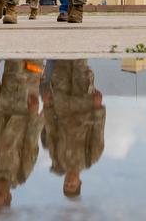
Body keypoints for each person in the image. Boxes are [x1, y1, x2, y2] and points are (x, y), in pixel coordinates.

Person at [0, 60, 44, 212]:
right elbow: (31, 142)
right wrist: (33, 114)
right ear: (9, 197)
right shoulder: (21, 173)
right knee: (17, 65)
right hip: (17, 111)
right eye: (0, 194)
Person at [41, 60, 105, 200]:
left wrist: (47, 107)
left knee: (61, 64)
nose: (69, 182)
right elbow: (98, 130)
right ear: (79, 183)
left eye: (66, 185)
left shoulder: (57, 159)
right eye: (72, 185)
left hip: (61, 104)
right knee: (79, 64)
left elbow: (51, 130)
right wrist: (98, 108)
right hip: (84, 105)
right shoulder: (90, 158)